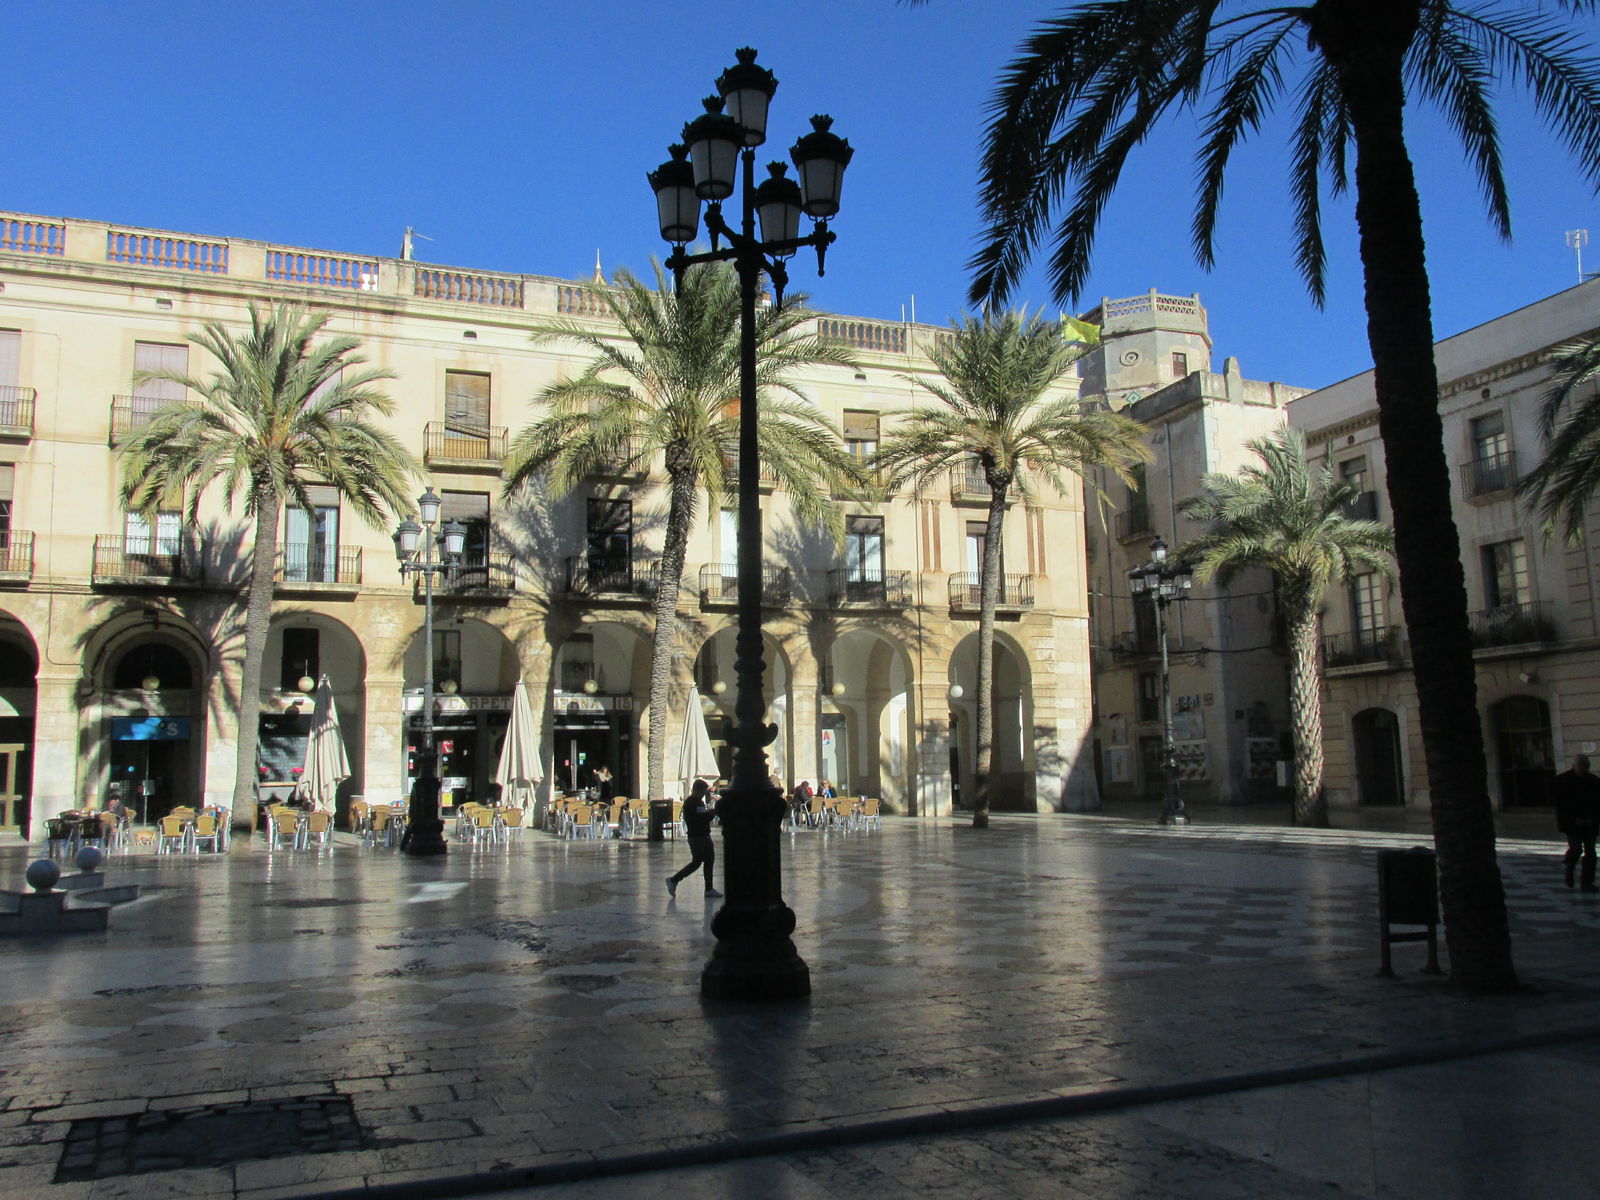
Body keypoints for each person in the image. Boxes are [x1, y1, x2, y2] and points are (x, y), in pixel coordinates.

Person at [666, 778, 721, 899]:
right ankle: (674, 880)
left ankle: (709, 888)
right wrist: (710, 814)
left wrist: (709, 814)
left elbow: (703, 817)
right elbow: (697, 819)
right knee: (697, 862)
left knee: (709, 861)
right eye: (702, 791)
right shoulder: (691, 803)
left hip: (704, 835)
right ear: (696, 790)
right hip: (697, 837)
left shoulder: (699, 802)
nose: (703, 794)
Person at [1555, 754, 1600, 891]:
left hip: (1590, 823)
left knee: (1590, 852)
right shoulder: (1563, 781)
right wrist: (1573, 820)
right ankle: (1569, 867)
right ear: (1573, 766)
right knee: (1576, 849)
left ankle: (1587, 882)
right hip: (1572, 824)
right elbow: (1561, 805)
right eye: (1580, 764)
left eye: (1585, 765)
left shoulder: (1595, 782)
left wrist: (1593, 819)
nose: (1583, 768)